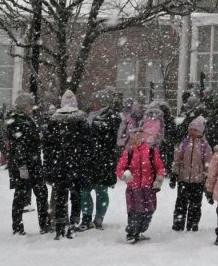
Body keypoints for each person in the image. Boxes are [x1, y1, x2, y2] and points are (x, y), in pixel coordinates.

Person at [44, 92, 89, 239]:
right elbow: (88, 147)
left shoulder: (54, 122)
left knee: (61, 198)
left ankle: (59, 227)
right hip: (76, 165)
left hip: (60, 166)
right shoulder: (81, 121)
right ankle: (73, 226)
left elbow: (48, 147)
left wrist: (49, 167)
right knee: (75, 197)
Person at [2, 94, 46, 235]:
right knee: (26, 194)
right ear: (23, 106)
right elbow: (19, 145)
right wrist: (22, 166)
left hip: (28, 162)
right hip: (25, 163)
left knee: (31, 194)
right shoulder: (18, 121)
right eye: (30, 105)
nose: (32, 108)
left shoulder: (22, 119)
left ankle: (24, 225)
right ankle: (22, 226)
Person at [116, 123, 166, 243]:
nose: (136, 139)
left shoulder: (151, 151)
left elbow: (160, 168)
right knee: (135, 212)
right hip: (133, 189)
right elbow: (119, 169)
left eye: (138, 136)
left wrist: (158, 180)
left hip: (148, 187)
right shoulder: (128, 152)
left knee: (149, 210)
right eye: (133, 136)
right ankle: (132, 233)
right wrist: (124, 176)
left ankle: (140, 231)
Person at [82, 100, 119, 230]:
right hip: (89, 161)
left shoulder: (111, 118)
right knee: (85, 190)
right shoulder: (88, 117)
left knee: (101, 190)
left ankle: (99, 217)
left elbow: (111, 139)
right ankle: (86, 217)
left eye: (97, 102)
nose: (94, 104)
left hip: (104, 160)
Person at [169, 116, 210, 234]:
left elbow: (208, 163)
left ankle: (192, 226)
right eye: (190, 129)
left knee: (195, 205)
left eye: (195, 130)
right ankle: (178, 225)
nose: (192, 132)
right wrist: (174, 173)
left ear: (200, 132)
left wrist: (206, 177)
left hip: (198, 181)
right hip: (183, 180)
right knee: (180, 204)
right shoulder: (184, 144)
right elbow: (177, 160)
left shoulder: (204, 145)